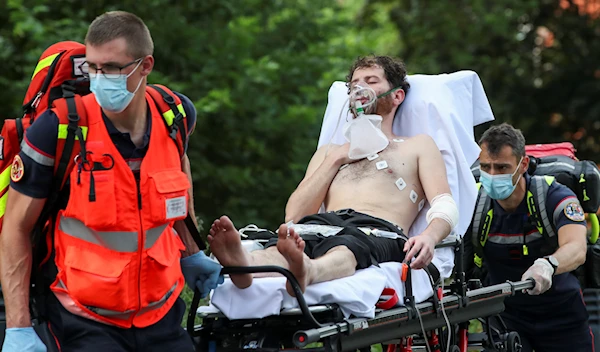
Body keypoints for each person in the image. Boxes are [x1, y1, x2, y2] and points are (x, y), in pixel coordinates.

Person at [0, 11, 222, 352]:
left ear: (145, 65)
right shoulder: (58, 130)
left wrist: (191, 251)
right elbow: (15, 228)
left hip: (160, 312)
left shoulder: (174, 116)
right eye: (93, 67)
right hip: (83, 318)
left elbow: (177, 176)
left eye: (113, 68)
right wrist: (19, 328)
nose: (100, 78)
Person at [208, 55, 459, 296]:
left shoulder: (416, 145)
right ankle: (246, 264)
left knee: (348, 248)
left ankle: (309, 271)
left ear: (397, 96)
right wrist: (337, 158)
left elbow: (445, 205)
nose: (360, 89)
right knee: (285, 244)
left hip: (375, 231)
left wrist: (429, 236)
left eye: (371, 81)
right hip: (320, 225)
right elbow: (294, 216)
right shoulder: (329, 152)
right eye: (354, 85)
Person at [467, 123, 593, 351]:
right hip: (505, 318)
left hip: (562, 316)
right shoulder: (475, 203)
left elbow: (576, 247)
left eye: (502, 167)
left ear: (523, 164)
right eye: (486, 167)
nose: (493, 176)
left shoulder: (554, 195)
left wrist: (548, 264)